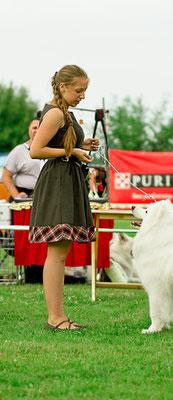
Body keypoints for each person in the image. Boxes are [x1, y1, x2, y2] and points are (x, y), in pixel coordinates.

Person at [29, 65, 99, 331]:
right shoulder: (56, 113)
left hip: (66, 180)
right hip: (57, 183)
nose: (83, 96)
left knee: (61, 251)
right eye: (79, 90)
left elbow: (59, 146)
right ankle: (55, 318)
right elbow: (36, 151)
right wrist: (72, 152)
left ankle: (57, 316)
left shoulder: (64, 112)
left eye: (85, 91)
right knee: (57, 252)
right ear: (62, 87)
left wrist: (81, 147)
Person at [2, 116, 41, 202]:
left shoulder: (51, 151)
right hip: (24, 199)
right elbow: (5, 177)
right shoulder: (19, 151)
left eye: (40, 128)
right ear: (29, 129)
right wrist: (17, 196)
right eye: (34, 128)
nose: (37, 131)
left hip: (43, 197)